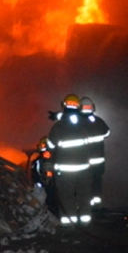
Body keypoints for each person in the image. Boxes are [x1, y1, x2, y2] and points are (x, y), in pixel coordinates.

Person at [46, 94, 93, 225]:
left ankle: (69, 224)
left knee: (66, 197)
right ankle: (85, 222)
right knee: (84, 196)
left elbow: (50, 146)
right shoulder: (85, 124)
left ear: (64, 107)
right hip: (84, 169)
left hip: (65, 171)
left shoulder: (58, 127)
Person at [79, 96, 110, 210]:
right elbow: (107, 132)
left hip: (84, 162)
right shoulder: (98, 121)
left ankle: (84, 206)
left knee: (84, 184)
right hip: (98, 162)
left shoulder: (77, 123)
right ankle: (96, 206)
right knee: (96, 184)